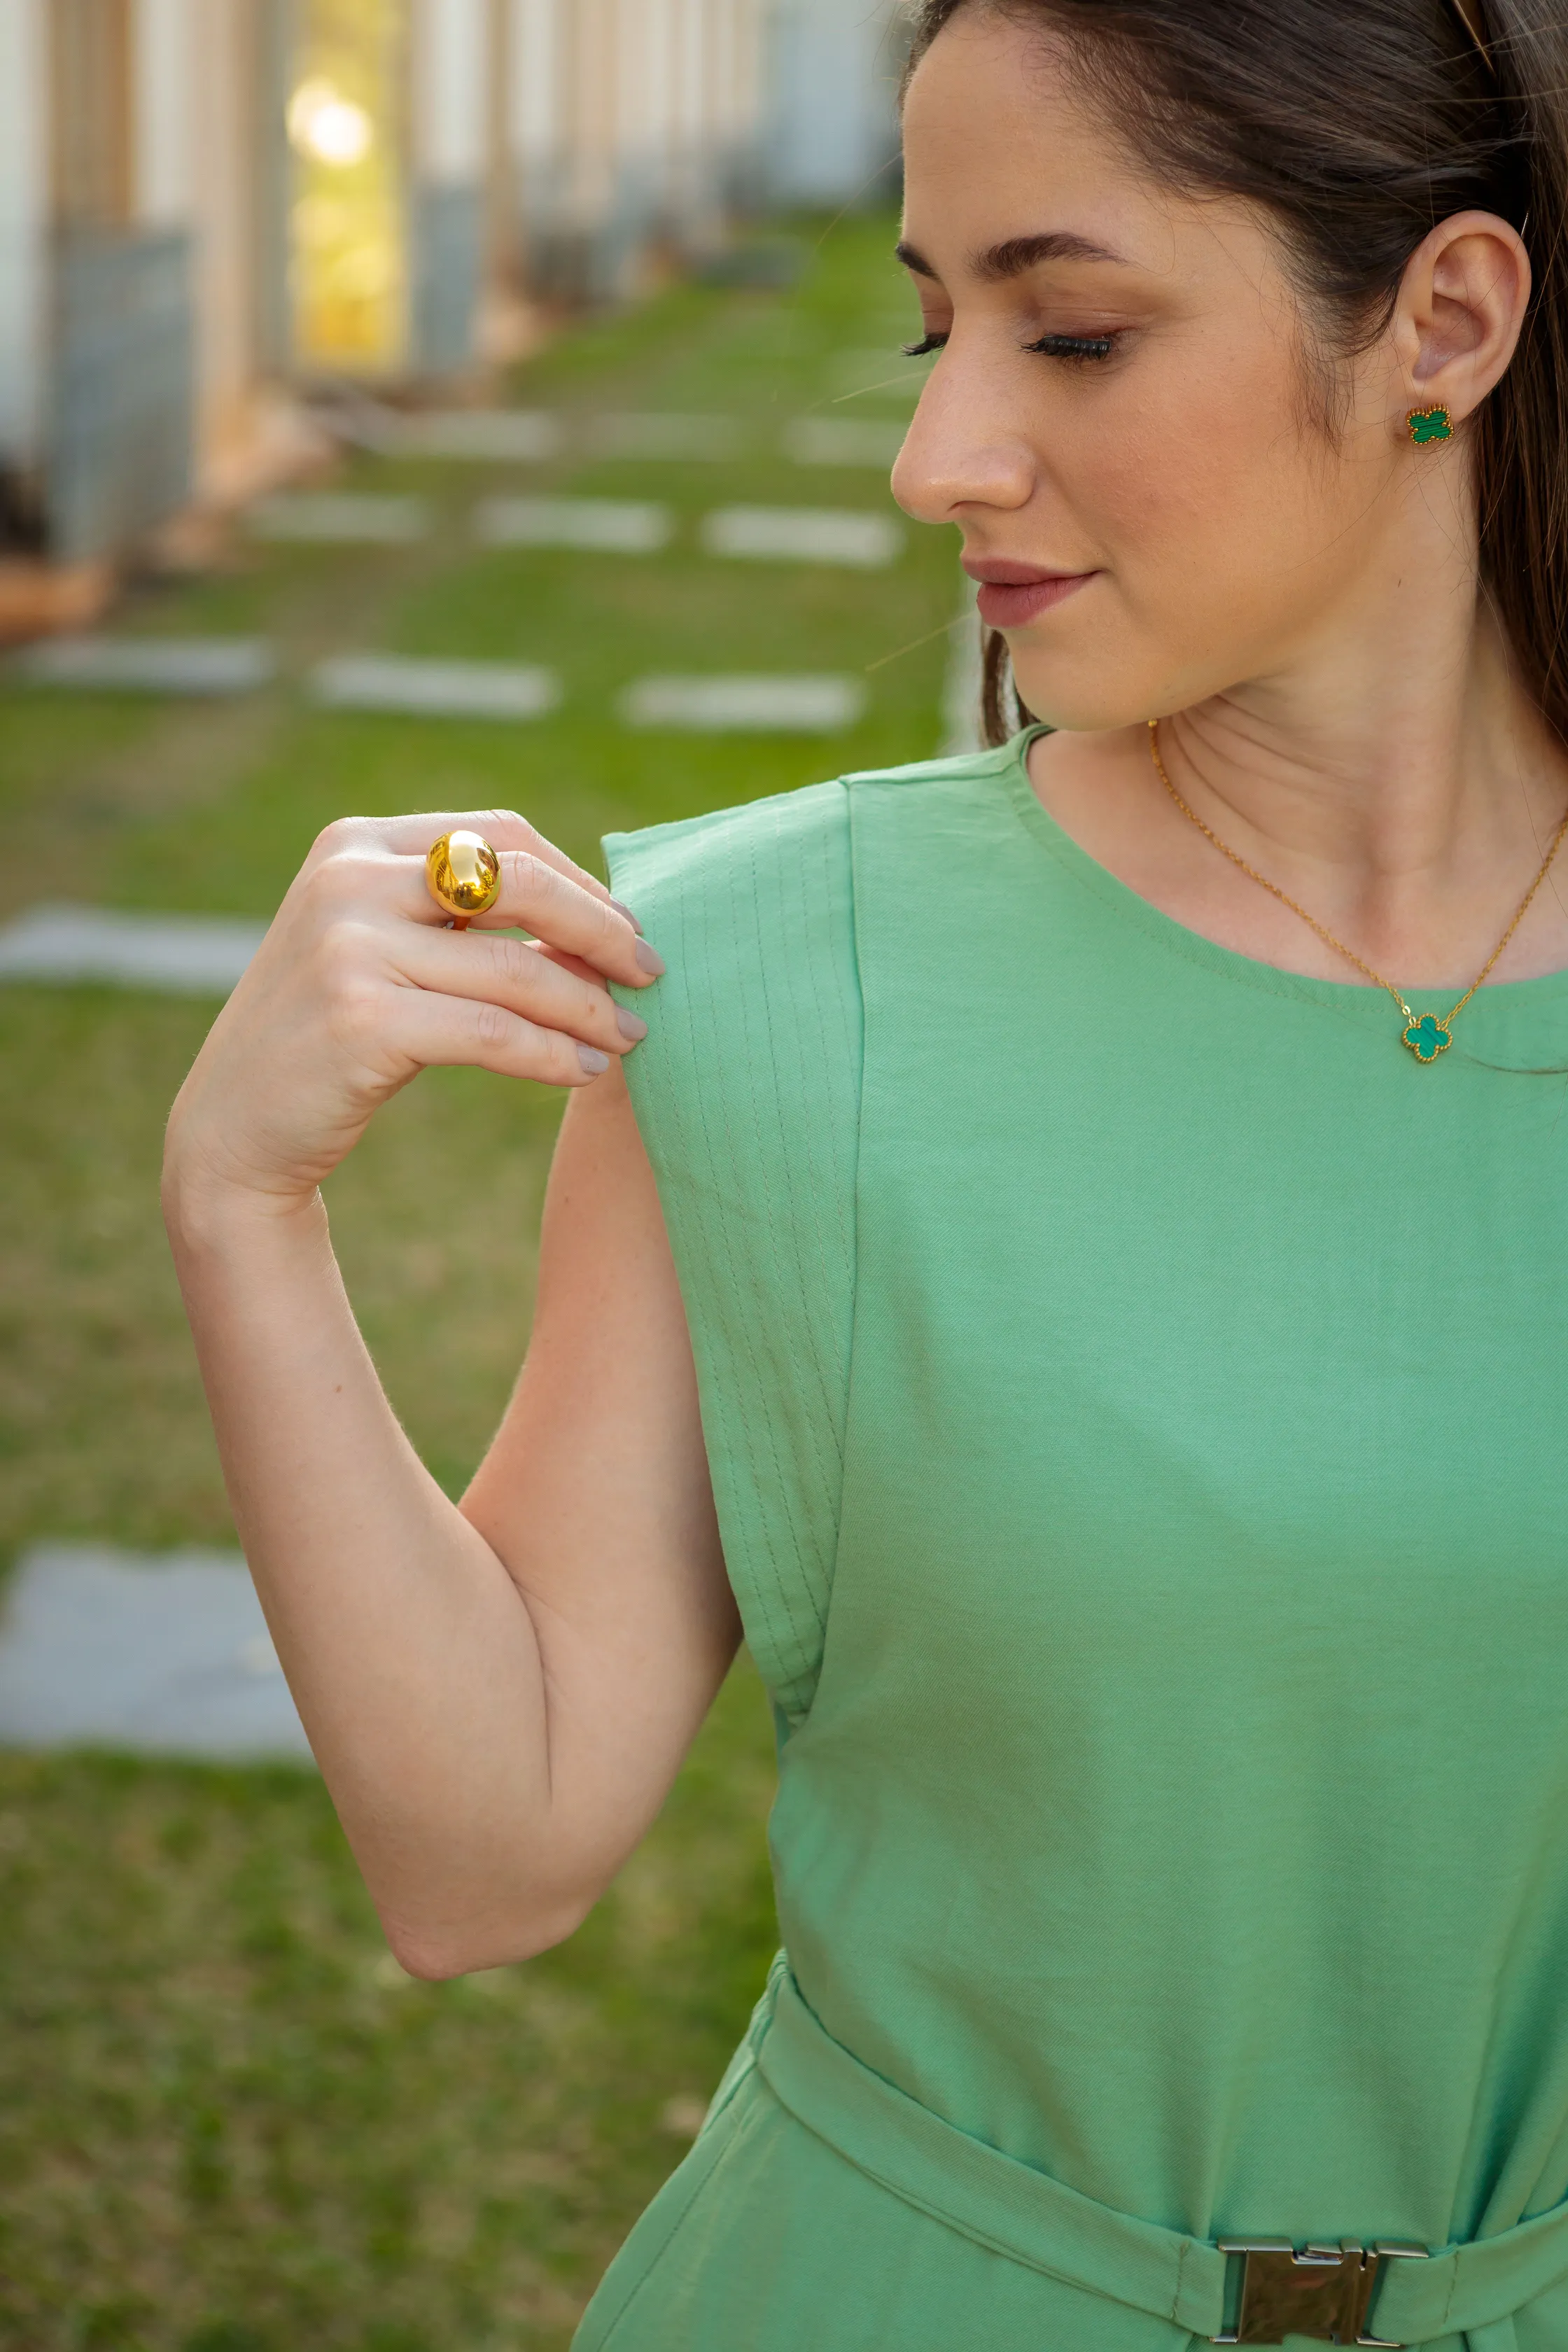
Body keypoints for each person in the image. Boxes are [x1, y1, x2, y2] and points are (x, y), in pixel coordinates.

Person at [163, 0, 1568, 2342]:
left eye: (1074, 329)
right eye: (935, 326)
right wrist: (242, 1206)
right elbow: (479, 1857)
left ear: (1445, 318)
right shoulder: (766, 974)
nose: (939, 455)